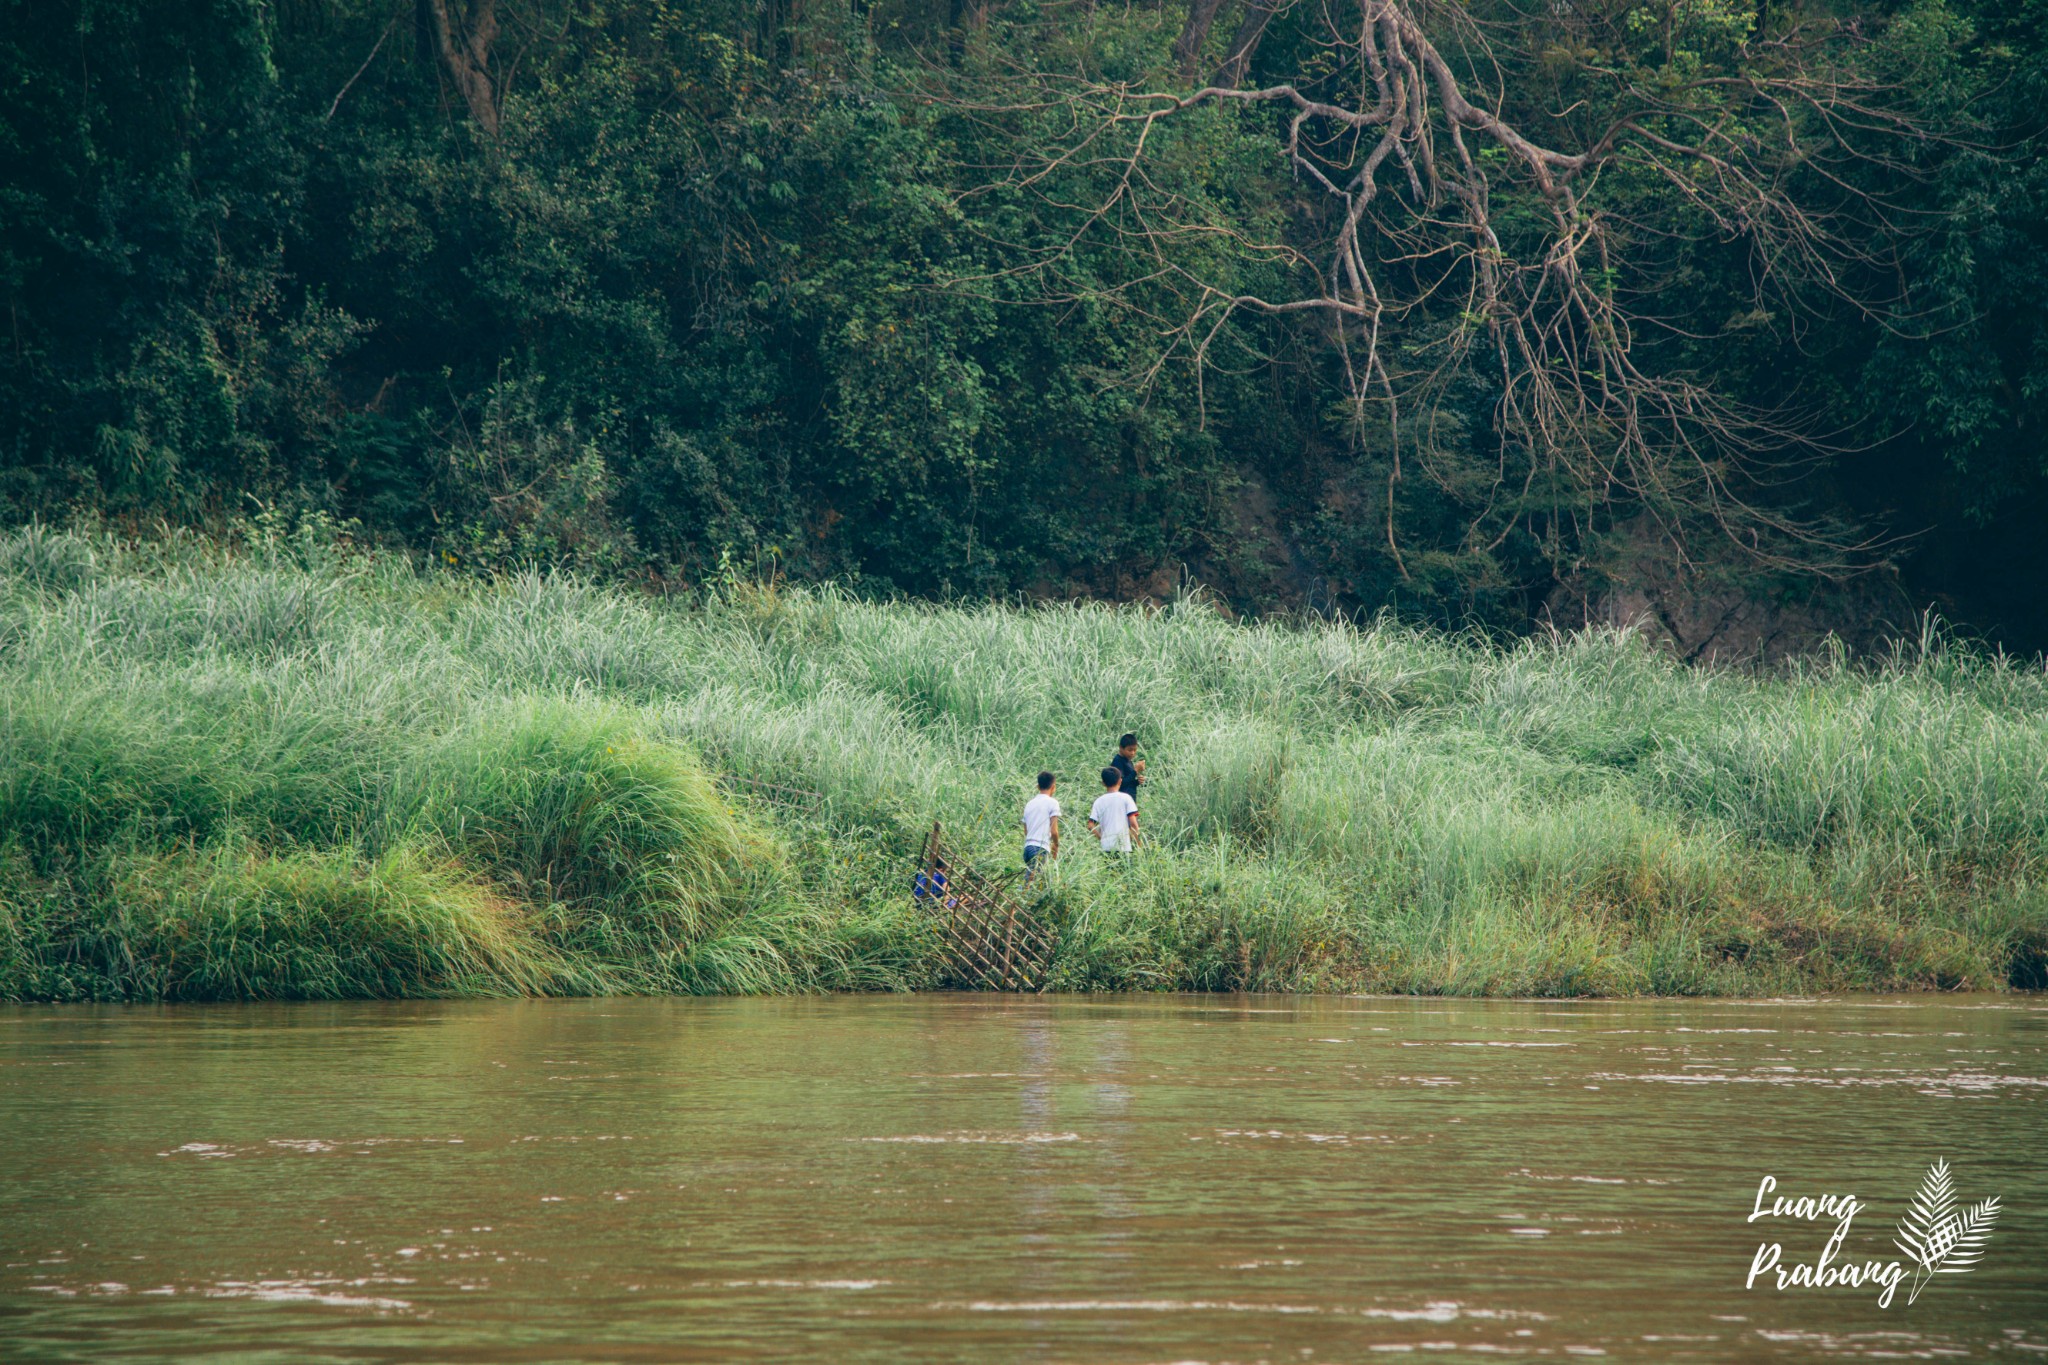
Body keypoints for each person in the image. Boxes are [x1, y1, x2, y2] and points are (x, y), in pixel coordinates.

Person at [1088, 766, 1140, 853]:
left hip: (1106, 848)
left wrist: (1101, 838)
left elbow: (1090, 825)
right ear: (1120, 781)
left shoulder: (1099, 801)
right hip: (1124, 847)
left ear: (1103, 783)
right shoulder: (1126, 798)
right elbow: (1134, 825)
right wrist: (1136, 842)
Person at [1022, 771, 1061, 880]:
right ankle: (1021, 895)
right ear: (1053, 787)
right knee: (1031, 883)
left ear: (1038, 786)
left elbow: (1026, 831)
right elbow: (1054, 831)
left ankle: (1022, 894)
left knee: (1031, 878)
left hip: (1028, 848)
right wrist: (1056, 845)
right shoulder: (1053, 803)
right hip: (1040, 848)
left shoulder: (1029, 804)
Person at [1110, 733, 1145, 805]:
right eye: (1130, 750)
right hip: (1121, 801)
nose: (1132, 753)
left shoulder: (1128, 761)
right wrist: (1135, 771)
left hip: (1129, 801)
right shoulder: (1117, 761)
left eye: (1135, 750)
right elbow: (1120, 784)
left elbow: (1128, 783)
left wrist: (1137, 782)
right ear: (1121, 748)